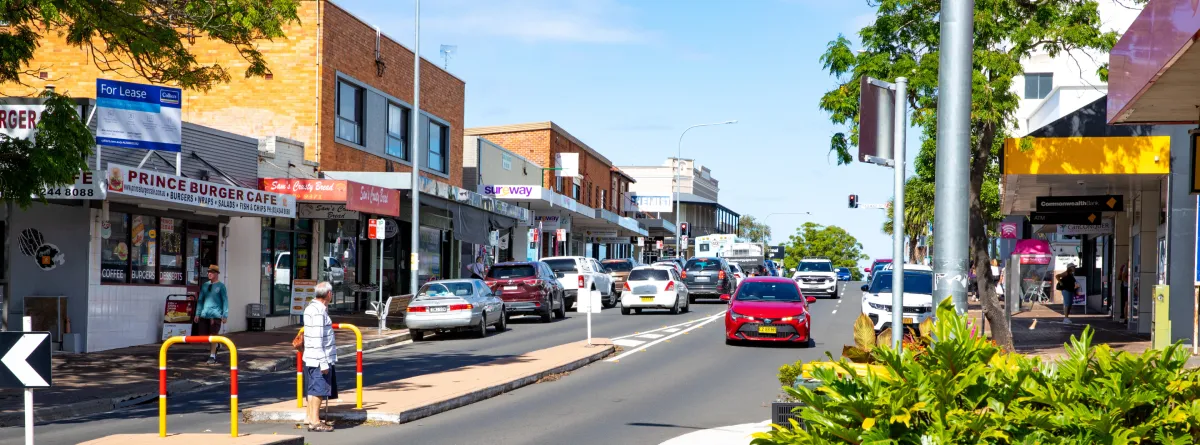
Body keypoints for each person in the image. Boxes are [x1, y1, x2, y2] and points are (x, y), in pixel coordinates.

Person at [303, 282, 337, 432]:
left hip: (311, 356)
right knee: (318, 390)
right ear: (328, 294)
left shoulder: (312, 308)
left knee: (312, 389)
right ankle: (316, 422)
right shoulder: (318, 311)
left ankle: (311, 418)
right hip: (318, 358)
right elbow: (317, 338)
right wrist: (323, 362)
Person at [193, 265, 228, 365]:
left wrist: (225, 315)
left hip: (216, 315)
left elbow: (225, 301)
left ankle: (212, 356)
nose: (209, 274)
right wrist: (197, 314)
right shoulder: (205, 285)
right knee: (205, 336)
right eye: (208, 272)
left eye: (211, 272)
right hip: (204, 314)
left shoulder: (221, 286)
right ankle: (216, 345)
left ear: (216, 274)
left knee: (213, 336)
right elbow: (200, 300)